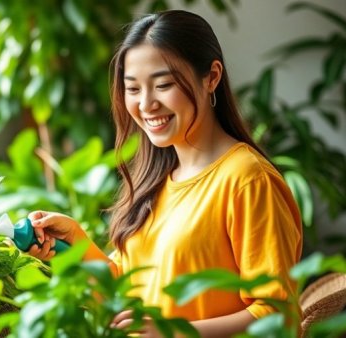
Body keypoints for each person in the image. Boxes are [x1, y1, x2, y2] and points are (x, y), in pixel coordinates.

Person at [27, 9, 302, 338]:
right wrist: (75, 242)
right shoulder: (156, 179)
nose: (146, 104)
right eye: (133, 89)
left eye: (163, 85)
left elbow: (278, 317)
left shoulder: (247, 180)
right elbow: (125, 296)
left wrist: (173, 332)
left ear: (211, 77)